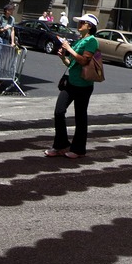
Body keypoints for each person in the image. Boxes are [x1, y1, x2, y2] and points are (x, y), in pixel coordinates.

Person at [45, 13, 100, 159]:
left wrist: (69, 49)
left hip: (83, 84)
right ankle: (61, 144)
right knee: (59, 111)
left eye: (82, 22)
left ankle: (79, 149)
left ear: (90, 26)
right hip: (70, 82)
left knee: (80, 117)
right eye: (79, 21)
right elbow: (72, 64)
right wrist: (63, 57)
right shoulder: (79, 40)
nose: (79, 24)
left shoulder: (92, 41)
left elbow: (84, 61)